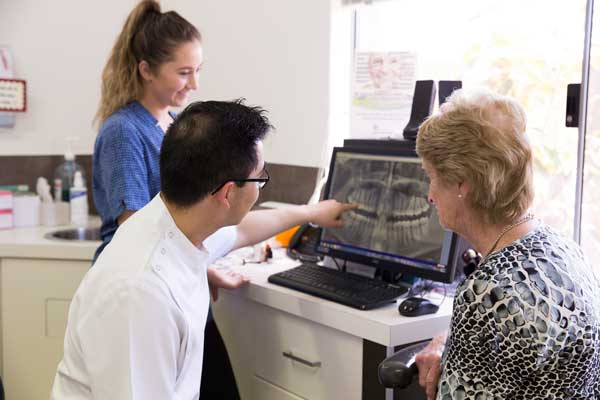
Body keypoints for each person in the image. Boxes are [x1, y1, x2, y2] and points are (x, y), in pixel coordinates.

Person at [51, 99, 355, 399]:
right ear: (227, 193)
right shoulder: (141, 293)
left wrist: (312, 213)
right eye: (260, 177)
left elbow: (242, 230)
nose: (261, 185)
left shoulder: (176, 220)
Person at [90, 2, 240, 397]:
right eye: (184, 72)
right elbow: (137, 227)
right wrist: (198, 266)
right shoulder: (124, 132)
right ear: (146, 69)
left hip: (176, 278)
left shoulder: (171, 126)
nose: (193, 85)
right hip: (143, 289)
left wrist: (200, 267)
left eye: (197, 71)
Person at [413, 88, 600, 399]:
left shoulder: (487, 291)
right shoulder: (563, 248)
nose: (430, 195)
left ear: (462, 185)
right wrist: (449, 338)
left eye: (431, 177)